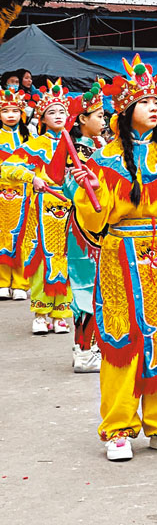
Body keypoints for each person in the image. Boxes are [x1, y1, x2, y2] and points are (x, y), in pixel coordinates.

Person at [71, 56, 157, 462]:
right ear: (125, 110)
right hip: (121, 254)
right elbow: (94, 219)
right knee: (122, 339)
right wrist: (89, 190)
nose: (153, 107)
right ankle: (118, 426)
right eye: (144, 101)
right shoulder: (106, 160)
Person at [1, 80, 75, 334]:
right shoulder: (36, 144)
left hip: (68, 212)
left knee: (66, 261)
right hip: (41, 211)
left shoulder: (75, 144)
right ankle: (41, 312)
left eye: (62, 111)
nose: (58, 116)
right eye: (51, 112)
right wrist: (32, 177)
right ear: (42, 118)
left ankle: (61, 313)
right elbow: (8, 166)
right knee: (42, 260)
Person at [65, 81, 107, 373]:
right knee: (87, 288)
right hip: (83, 226)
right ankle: (83, 350)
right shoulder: (78, 150)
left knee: (101, 287)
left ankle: (93, 346)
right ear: (82, 119)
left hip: (100, 223)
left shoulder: (100, 146)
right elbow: (69, 186)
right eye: (99, 116)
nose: (103, 121)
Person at [0, 88, 31, 301]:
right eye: (5, 110)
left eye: (15, 110)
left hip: (25, 192)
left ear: (22, 113)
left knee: (23, 237)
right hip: (1, 192)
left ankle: (21, 283)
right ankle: (2, 282)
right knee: (2, 236)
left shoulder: (30, 137)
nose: (11, 114)